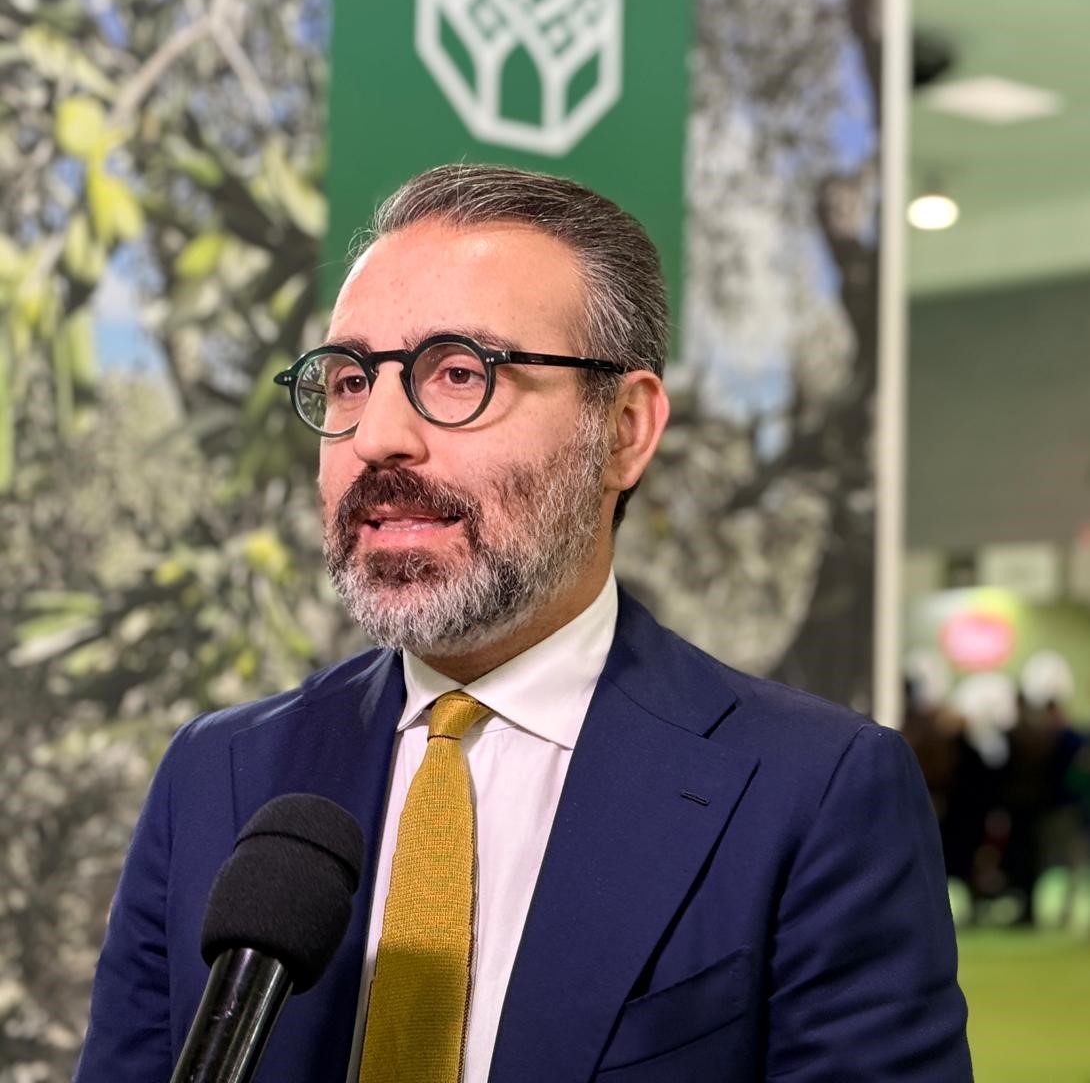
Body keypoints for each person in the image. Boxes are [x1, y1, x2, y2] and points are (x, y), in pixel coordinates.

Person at [75, 164, 971, 1082]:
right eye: (348, 381)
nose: (378, 436)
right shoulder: (215, 775)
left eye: (460, 373)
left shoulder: (815, 795)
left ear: (625, 429)